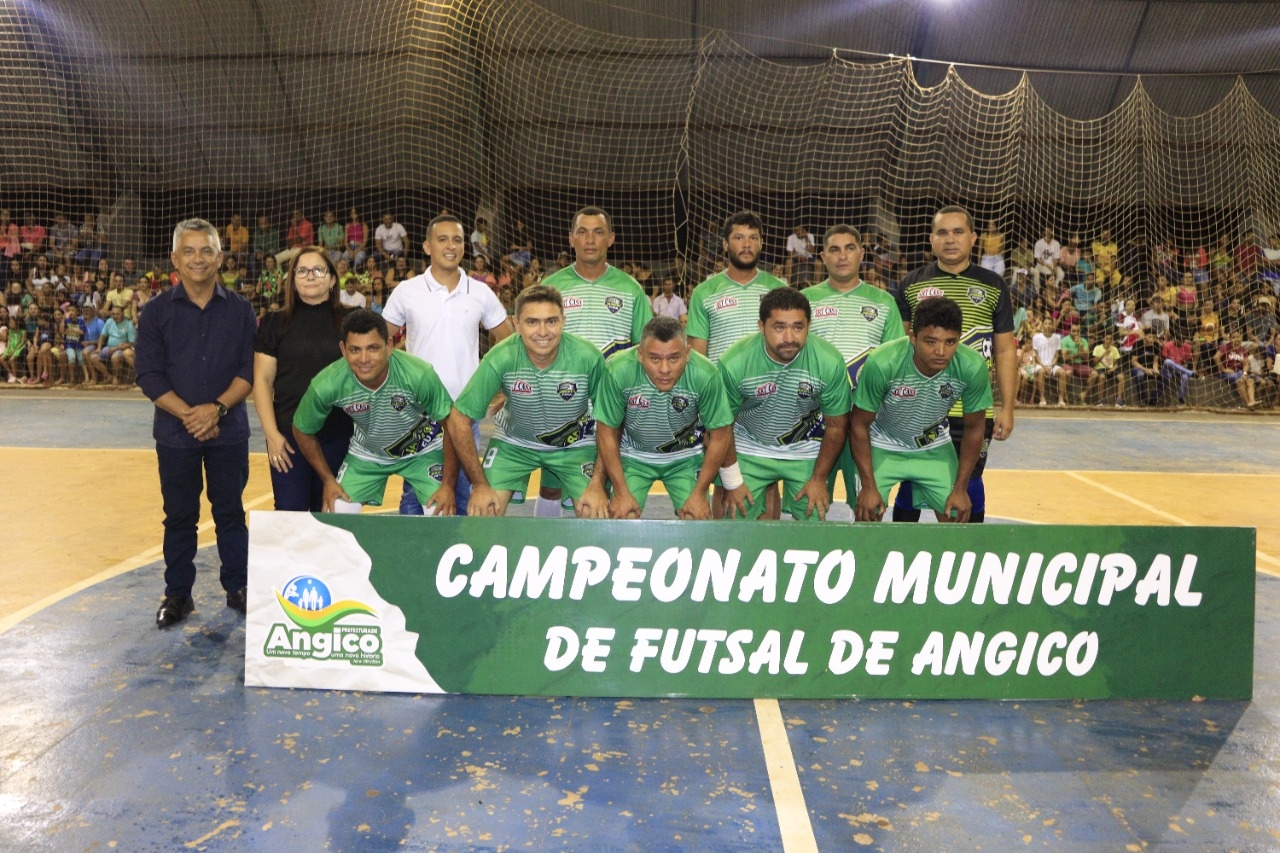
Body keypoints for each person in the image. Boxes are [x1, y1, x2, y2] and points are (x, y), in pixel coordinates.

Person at [135, 219, 257, 629]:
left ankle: (238, 586)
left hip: (228, 433)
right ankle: (178, 594)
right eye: (188, 251)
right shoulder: (155, 312)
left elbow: (248, 371)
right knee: (179, 516)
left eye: (206, 250)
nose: (198, 259)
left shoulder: (241, 310)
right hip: (175, 434)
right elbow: (148, 375)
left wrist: (216, 411)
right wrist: (191, 414)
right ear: (174, 259)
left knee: (230, 512)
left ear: (220, 257)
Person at [442, 284, 616, 517]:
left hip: (574, 445)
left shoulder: (587, 357)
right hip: (514, 444)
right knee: (484, 512)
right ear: (516, 324)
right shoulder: (500, 357)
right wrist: (480, 484)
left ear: (564, 321)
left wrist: (597, 483)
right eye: (532, 322)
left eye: (551, 321)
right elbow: (458, 418)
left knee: (596, 513)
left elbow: (611, 420)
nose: (542, 332)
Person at [384, 214, 515, 516]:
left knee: (462, 494)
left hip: (465, 411)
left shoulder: (480, 292)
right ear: (427, 246)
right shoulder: (407, 290)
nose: (451, 245)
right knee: (417, 495)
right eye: (442, 239)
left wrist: (501, 388)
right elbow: (379, 340)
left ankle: (458, 560)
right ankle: (415, 559)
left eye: (457, 239)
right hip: (419, 411)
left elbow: (508, 342)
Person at [892, 205, 1015, 524]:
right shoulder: (910, 284)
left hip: (973, 409)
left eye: (958, 231)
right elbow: (897, 349)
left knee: (968, 485)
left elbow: (1004, 350)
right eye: (942, 232)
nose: (950, 239)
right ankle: (900, 556)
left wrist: (1007, 407)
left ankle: (966, 559)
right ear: (931, 240)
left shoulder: (993, 285)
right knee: (912, 479)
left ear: (974, 238)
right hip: (918, 407)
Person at [536, 206, 653, 517]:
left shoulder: (630, 289)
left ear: (610, 239)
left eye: (598, 232)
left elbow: (646, 349)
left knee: (611, 482)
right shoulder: (551, 287)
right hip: (561, 401)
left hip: (612, 404)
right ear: (571, 238)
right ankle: (546, 550)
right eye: (583, 232)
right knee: (551, 483)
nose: (590, 239)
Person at [292, 309, 458, 514]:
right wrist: (328, 479)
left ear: (389, 346)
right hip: (367, 455)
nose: (364, 359)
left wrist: (448, 486)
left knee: (441, 513)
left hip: (424, 451)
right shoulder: (326, 384)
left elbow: (452, 425)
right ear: (343, 350)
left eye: (372, 348)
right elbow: (302, 429)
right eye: (355, 350)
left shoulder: (418, 374)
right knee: (335, 511)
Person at [849, 296, 993, 523]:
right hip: (883, 444)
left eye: (950, 342)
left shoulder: (972, 366)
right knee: (868, 513)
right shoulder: (883, 362)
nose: (941, 351)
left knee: (956, 515)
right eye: (931, 341)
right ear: (913, 338)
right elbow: (859, 423)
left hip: (932, 444)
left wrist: (960, 488)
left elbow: (975, 428)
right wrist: (868, 485)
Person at [716, 287, 851, 521]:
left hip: (805, 448)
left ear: (809, 326)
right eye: (779, 327)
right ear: (761, 327)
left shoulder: (829, 361)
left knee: (813, 517)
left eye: (798, 327)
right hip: (750, 446)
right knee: (734, 521)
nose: (789, 337)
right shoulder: (734, 362)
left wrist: (819, 479)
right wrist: (732, 481)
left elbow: (837, 426)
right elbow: (721, 425)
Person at [801, 224, 905, 519]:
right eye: (834, 249)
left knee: (869, 505)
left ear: (861, 253)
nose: (842, 256)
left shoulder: (883, 302)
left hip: (866, 421)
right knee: (809, 506)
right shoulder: (805, 300)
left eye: (849, 249)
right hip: (816, 419)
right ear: (822, 256)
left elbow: (895, 363)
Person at [591, 316, 734, 519]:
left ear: (687, 353)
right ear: (640, 355)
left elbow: (720, 436)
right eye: (655, 359)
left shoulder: (706, 374)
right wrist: (621, 492)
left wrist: (700, 493)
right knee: (622, 517)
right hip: (634, 455)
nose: (665, 369)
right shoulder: (618, 370)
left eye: (674, 358)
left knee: (696, 518)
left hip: (684, 457)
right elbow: (606, 433)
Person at [252, 248, 352, 511]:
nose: (310, 276)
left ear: (332, 279)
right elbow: (262, 381)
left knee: (333, 520)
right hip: (288, 439)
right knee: (289, 517)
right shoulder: (275, 323)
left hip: (340, 436)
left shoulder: (352, 321)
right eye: (302, 270)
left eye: (319, 270)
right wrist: (272, 435)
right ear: (292, 280)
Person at [687, 211, 787, 365]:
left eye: (753, 238)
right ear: (725, 244)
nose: (747, 244)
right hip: (721, 387)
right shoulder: (703, 292)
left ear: (761, 243)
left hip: (771, 386)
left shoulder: (780, 289)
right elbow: (697, 358)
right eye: (739, 238)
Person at [90, 304, 136, 385]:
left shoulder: (129, 324)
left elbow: (132, 343)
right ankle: (108, 376)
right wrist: (99, 347)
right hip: (109, 347)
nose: (115, 316)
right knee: (93, 357)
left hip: (121, 348)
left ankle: (116, 377)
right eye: (113, 314)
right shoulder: (109, 321)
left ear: (123, 314)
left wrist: (117, 348)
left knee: (115, 357)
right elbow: (102, 336)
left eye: (117, 314)